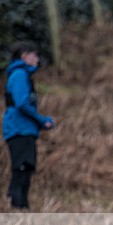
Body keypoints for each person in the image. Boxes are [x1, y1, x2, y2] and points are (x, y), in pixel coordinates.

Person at [3, 41, 55, 210]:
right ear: (25, 56)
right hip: (19, 129)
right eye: (35, 55)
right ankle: (17, 209)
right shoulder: (19, 75)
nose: (37, 59)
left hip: (23, 129)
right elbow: (21, 103)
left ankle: (20, 209)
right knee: (22, 170)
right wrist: (41, 120)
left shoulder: (21, 75)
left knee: (25, 170)